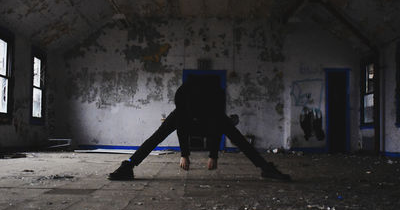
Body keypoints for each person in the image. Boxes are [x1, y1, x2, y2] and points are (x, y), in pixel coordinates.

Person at [109, 75, 291, 181]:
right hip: (184, 113)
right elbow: (181, 128)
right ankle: (128, 166)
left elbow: (217, 130)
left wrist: (213, 155)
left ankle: (266, 168)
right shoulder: (182, 105)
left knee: (239, 140)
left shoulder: (215, 107)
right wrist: (184, 154)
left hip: (212, 114)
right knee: (156, 137)